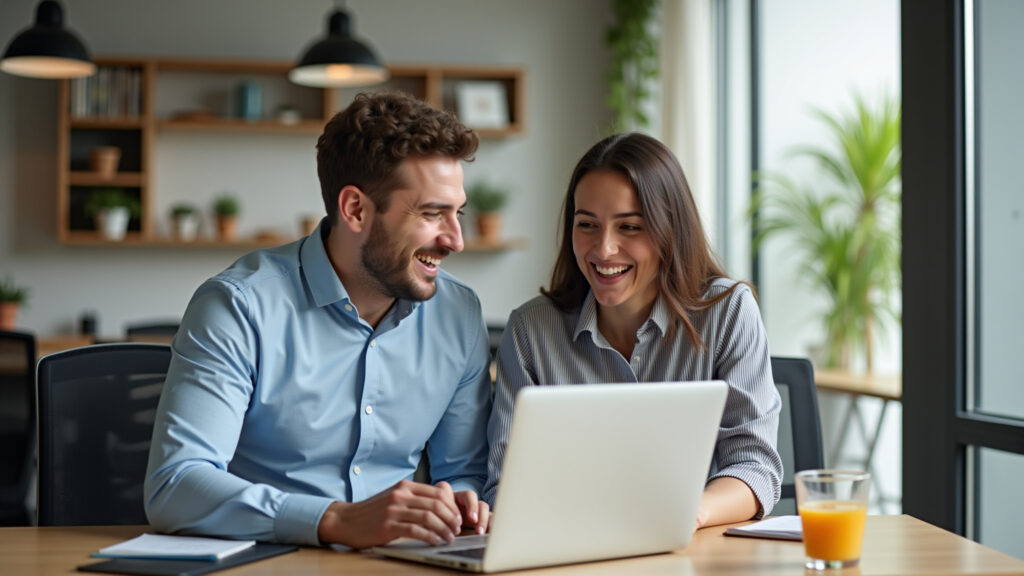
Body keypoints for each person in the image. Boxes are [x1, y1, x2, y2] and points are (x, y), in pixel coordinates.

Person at [145, 92, 492, 548]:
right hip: (268, 561)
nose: (456, 240)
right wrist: (336, 520)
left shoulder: (458, 314)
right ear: (355, 210)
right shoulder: (238, 307)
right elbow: (175, 485)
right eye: (432, 214)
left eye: (457, 213)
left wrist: (462, 506)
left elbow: (462, 471)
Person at [483, 133, 782, 528]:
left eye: (629, 227)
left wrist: (688, 514)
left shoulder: (728, 312)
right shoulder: (530, 331)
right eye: (586, 224)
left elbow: (755, 466)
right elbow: (505, 484)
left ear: (669, 230)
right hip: (568, 550)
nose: (604, 249)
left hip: (686, 548)